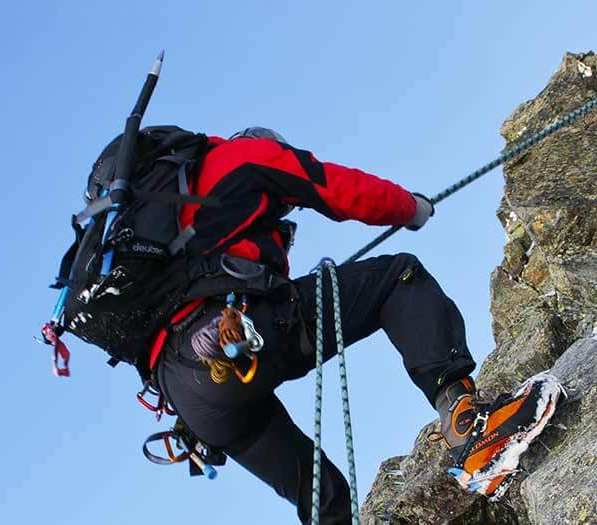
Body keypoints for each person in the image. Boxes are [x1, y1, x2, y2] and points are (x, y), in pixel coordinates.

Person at [150, 127, 560, 524]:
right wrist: (409, 208)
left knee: (325, 500)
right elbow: (335, 187)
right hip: (237, 330)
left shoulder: (162, 229)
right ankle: (467, 427)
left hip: (191, 399)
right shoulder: (240, 157)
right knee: (399, 277)